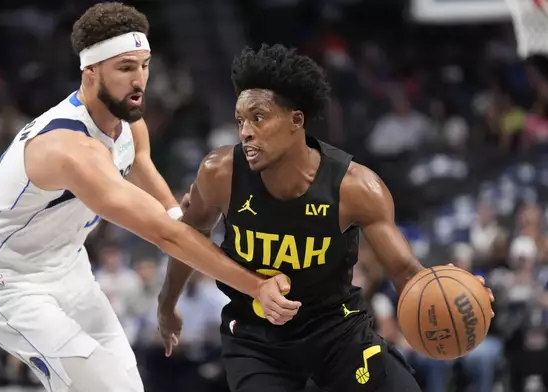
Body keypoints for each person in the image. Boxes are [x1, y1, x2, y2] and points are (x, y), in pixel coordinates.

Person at [0, 5, 298, 392]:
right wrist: (256, 286)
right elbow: (165, 236)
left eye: (145, 65)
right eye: (124, 68)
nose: (140, 81)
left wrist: (175, 212)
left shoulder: (128, 121)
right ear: (90, 73)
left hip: (68, 267)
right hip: (5, 281)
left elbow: (140, 164)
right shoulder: (71, 150)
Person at [157, 44, 493, 392]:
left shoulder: (356, 188)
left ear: (296, 120)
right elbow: (187, 239)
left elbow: (405, 272)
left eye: (258, 118)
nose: (245, 132)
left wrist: (458, 297)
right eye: (240, 121)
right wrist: (166, 305)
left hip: (335, 329)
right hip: (257, 337)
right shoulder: (220, 173)